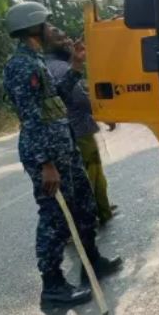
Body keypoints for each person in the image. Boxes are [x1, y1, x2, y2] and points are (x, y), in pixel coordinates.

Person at [3, 1, 123, 308]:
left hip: (65, 150)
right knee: (54, 219)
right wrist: (46, 164)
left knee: (84, 207)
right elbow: (30, 117)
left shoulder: (36, 60)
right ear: (34, 27)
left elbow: (56, 98)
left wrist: (77, 66)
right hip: (48, 158)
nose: (49, 28)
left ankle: (92, 262)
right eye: (46, 23)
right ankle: (52, 286)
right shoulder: (21, 66)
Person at [45, 27, 117, 226]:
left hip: (65, 132)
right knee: (93, 173)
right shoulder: (61, 68)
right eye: (61, 39)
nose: (68, 41)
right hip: (79, 130)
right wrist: (104, 114)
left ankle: (95, 211)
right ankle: (101, 211)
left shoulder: (47, 65)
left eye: (67, 37)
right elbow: (80, 99)